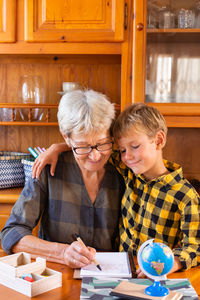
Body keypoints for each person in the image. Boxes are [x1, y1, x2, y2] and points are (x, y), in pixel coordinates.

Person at [30, 103, 200, 276]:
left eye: (135, 147)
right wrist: (58, 147)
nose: (127, 156)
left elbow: (195, 247)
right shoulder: (129, 171)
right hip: (121, 272)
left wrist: (173, 263)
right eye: (123, 150)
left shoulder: (185, 196)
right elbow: (92, 148)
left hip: (157, 276)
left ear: (158, 140)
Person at [1, 89, 125, 269]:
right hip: (58, 279)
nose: (95, 156)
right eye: (83, 147)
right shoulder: (49, 170)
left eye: (102, 143)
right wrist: (62, 253)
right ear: (66, 137)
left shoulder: (123, 171)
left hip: (111, 280)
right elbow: (11, 233)